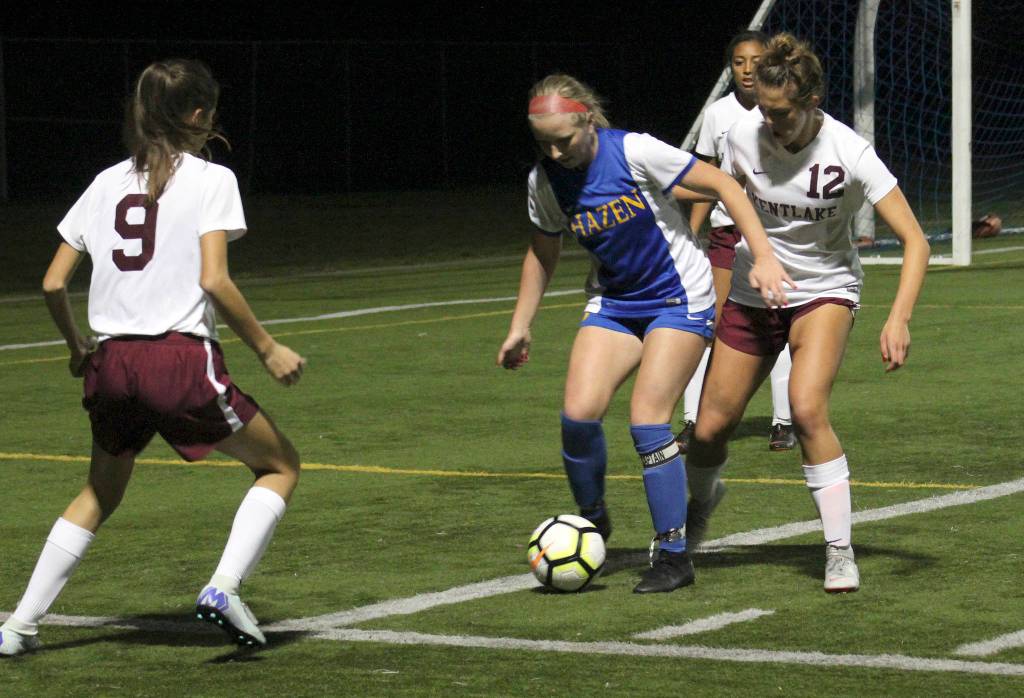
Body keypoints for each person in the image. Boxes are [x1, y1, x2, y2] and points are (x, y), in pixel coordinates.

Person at [0, 59, 306, 656]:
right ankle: (223, 586)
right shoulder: (211, 179)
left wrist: (76, 347)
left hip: (111, 364)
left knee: (99, 491)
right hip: (178, 360)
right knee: (280, 466)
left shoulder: (105, 181)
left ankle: (17, 626)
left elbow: (52, 283)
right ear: (197, 115)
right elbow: (214, 280)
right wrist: (267, 348)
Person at [497, 74, 790, 593]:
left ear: (588, 119)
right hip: (615, 302)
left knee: (648, 421)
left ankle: (674, 555)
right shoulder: (545, 181)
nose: (555, 150)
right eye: (544, 142)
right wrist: (521, 326)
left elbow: (722, 183)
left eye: (563, 139)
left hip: (681, 298)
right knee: (578, 414)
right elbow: (543, 251)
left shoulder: (633, 151)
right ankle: (594, 522)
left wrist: (763, 256)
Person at [684, 34, 930, 592]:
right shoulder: (744, 133)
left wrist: (898, 318)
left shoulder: (850, 153)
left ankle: (839, 549)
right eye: (763, 111)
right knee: (709, 428)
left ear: (812, 101)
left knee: (805, 408)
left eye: (781, 113)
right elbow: (726, 190)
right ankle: (699, 508)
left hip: (824, 290)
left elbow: (916, 240)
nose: (769, 122)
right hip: (754, 289)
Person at [678, 30, 797, 455]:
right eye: (739, 62)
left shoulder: (784, 111)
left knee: (775, 323)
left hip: (772, 233)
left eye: (755, 60)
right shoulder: (717, 115)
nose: (747, 69)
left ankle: (784, 422)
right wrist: (694, 233)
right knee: (707, 324)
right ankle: (693, 420)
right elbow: (705, 179)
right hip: (728, 233)